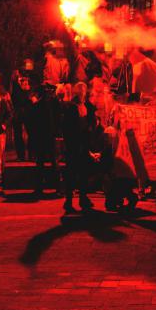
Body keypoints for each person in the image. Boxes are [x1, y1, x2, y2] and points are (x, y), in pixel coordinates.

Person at [61, 82, 97, 213]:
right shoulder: (70, 107)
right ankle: (69, 200)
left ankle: (83, 198)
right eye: (80, 92)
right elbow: (67, 127)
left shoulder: (87, 106)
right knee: (71, 173)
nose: (82, 94)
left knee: (83, 173)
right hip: (73, 145)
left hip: (83, 144)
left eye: (84, 91)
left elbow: (91, 122)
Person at [28, 85, 59, 195]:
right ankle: (58, 187)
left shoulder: (37, 106)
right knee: (53, 162)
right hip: (49, 136)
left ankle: (39, 187)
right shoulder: (52, 104)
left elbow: (33, 124)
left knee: (41, 163)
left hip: (42, 137)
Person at [10, 69, 32, 161]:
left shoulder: (20, 84)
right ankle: (24, 155)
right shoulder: (16, 85)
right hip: (21, 111)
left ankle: (28, 155)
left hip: (23, 111)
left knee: (29, 133)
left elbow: (19, 98)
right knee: (21, 133)